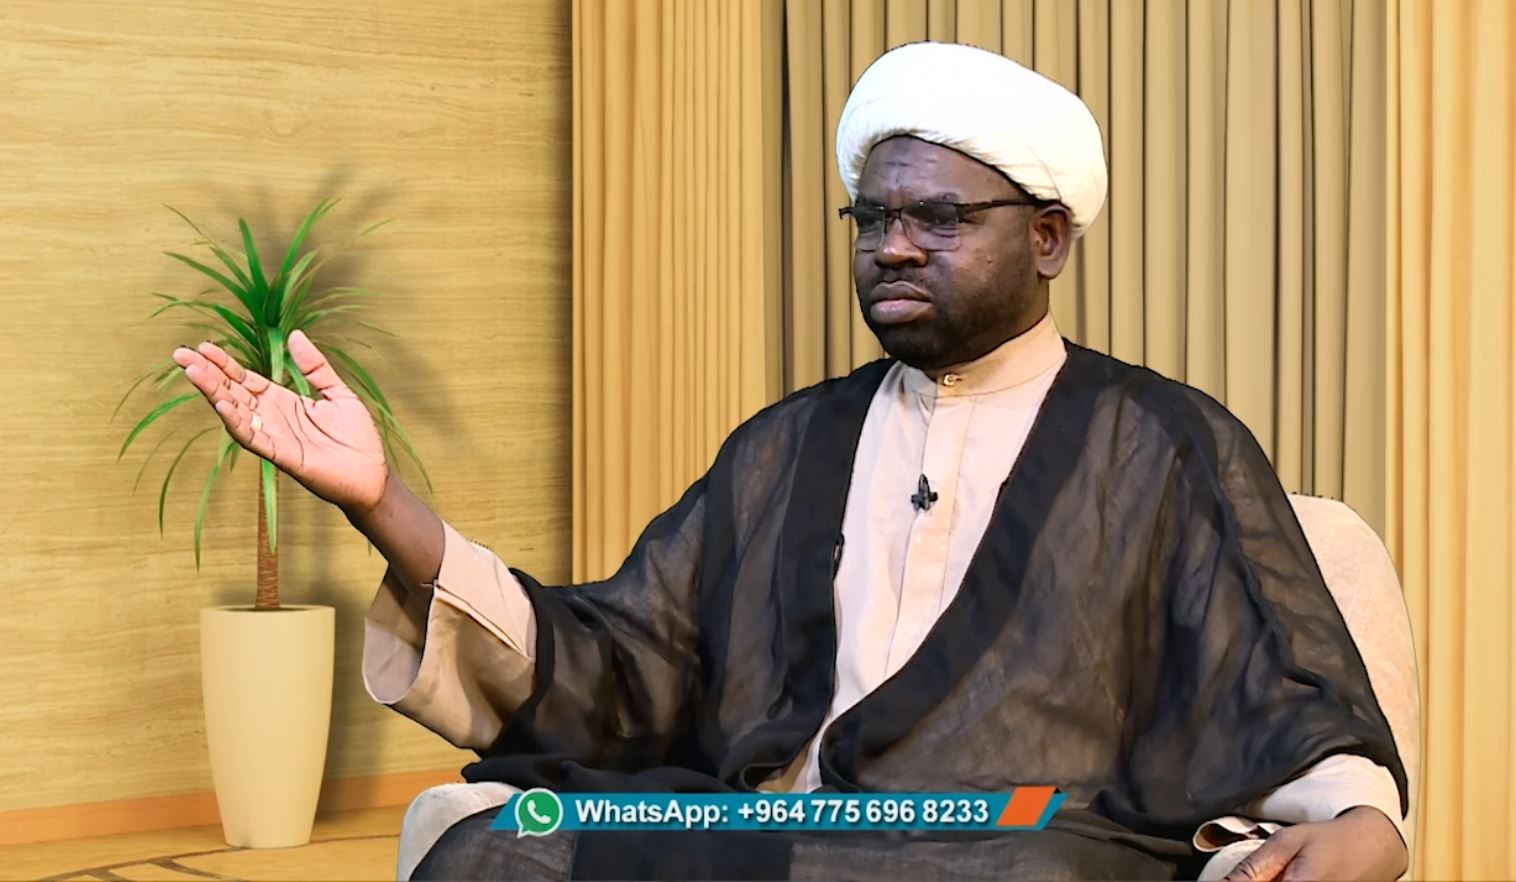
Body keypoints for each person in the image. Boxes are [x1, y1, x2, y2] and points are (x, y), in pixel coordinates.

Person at [173, 41, 1409, 882]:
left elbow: (1276, 674)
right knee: (505, 838)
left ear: (1046, 239)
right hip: (751, 833)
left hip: (999, 837)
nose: (892, 247)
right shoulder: (788, 445)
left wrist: (1366, 819)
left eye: (937, 218)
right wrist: (385, 504)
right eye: (873, 217)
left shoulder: (1162, 440)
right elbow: (620, 659)